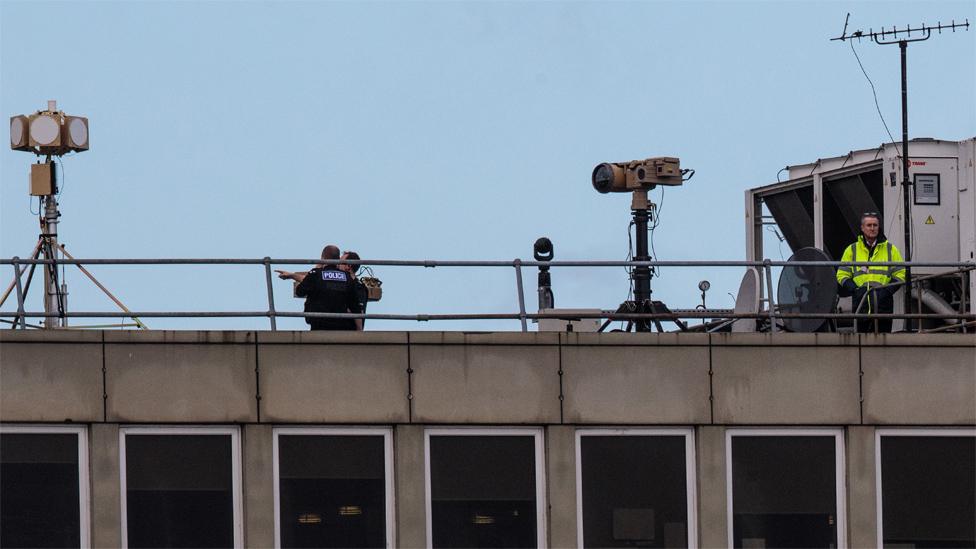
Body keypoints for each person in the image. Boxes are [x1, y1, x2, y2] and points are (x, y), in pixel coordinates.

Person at [836, 212, 906, 333]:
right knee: (861, 344)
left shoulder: (891, 249)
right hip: (860, 303)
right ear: (862, 228)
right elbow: (842, 274)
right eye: (869, 225)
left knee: (883, 343)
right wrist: (855, 289)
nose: (872, 228)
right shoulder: (852, 249)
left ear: (879, 227)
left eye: (875, 225)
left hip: (883, 303)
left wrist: (887, 290)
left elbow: (900, 274)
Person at [275, 245, 362, 331]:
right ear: (338, 259)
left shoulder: (316, 274)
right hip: (341, 326)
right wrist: (360, 332)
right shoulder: (347, 278)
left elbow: (300, 291)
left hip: (319, 325)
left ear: (323, 258)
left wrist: (317, 267)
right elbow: (355, 307)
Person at [340, 251, 369, 329]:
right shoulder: (340, 284)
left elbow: (358, 313)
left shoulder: (359, 288)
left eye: (340, 262)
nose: (336, 265)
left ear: (348, 266)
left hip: (349, 332)